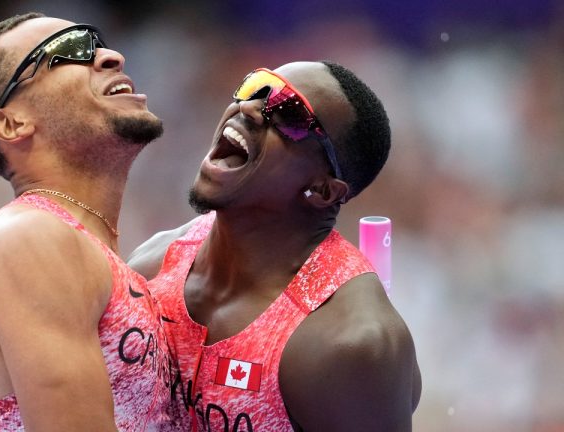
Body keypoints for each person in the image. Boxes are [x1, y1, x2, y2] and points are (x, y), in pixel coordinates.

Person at [129, 61, 422, 431]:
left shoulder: (350, 343)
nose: (249, 108)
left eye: (288, 112)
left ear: (322, 190)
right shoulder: (151, 268)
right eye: (256, 87)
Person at [0, 12, 175, 431]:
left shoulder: (88, 252)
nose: (112, 57)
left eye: (98, 41)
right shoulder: (28, 237)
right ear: (12, 123)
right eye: (70, 50)